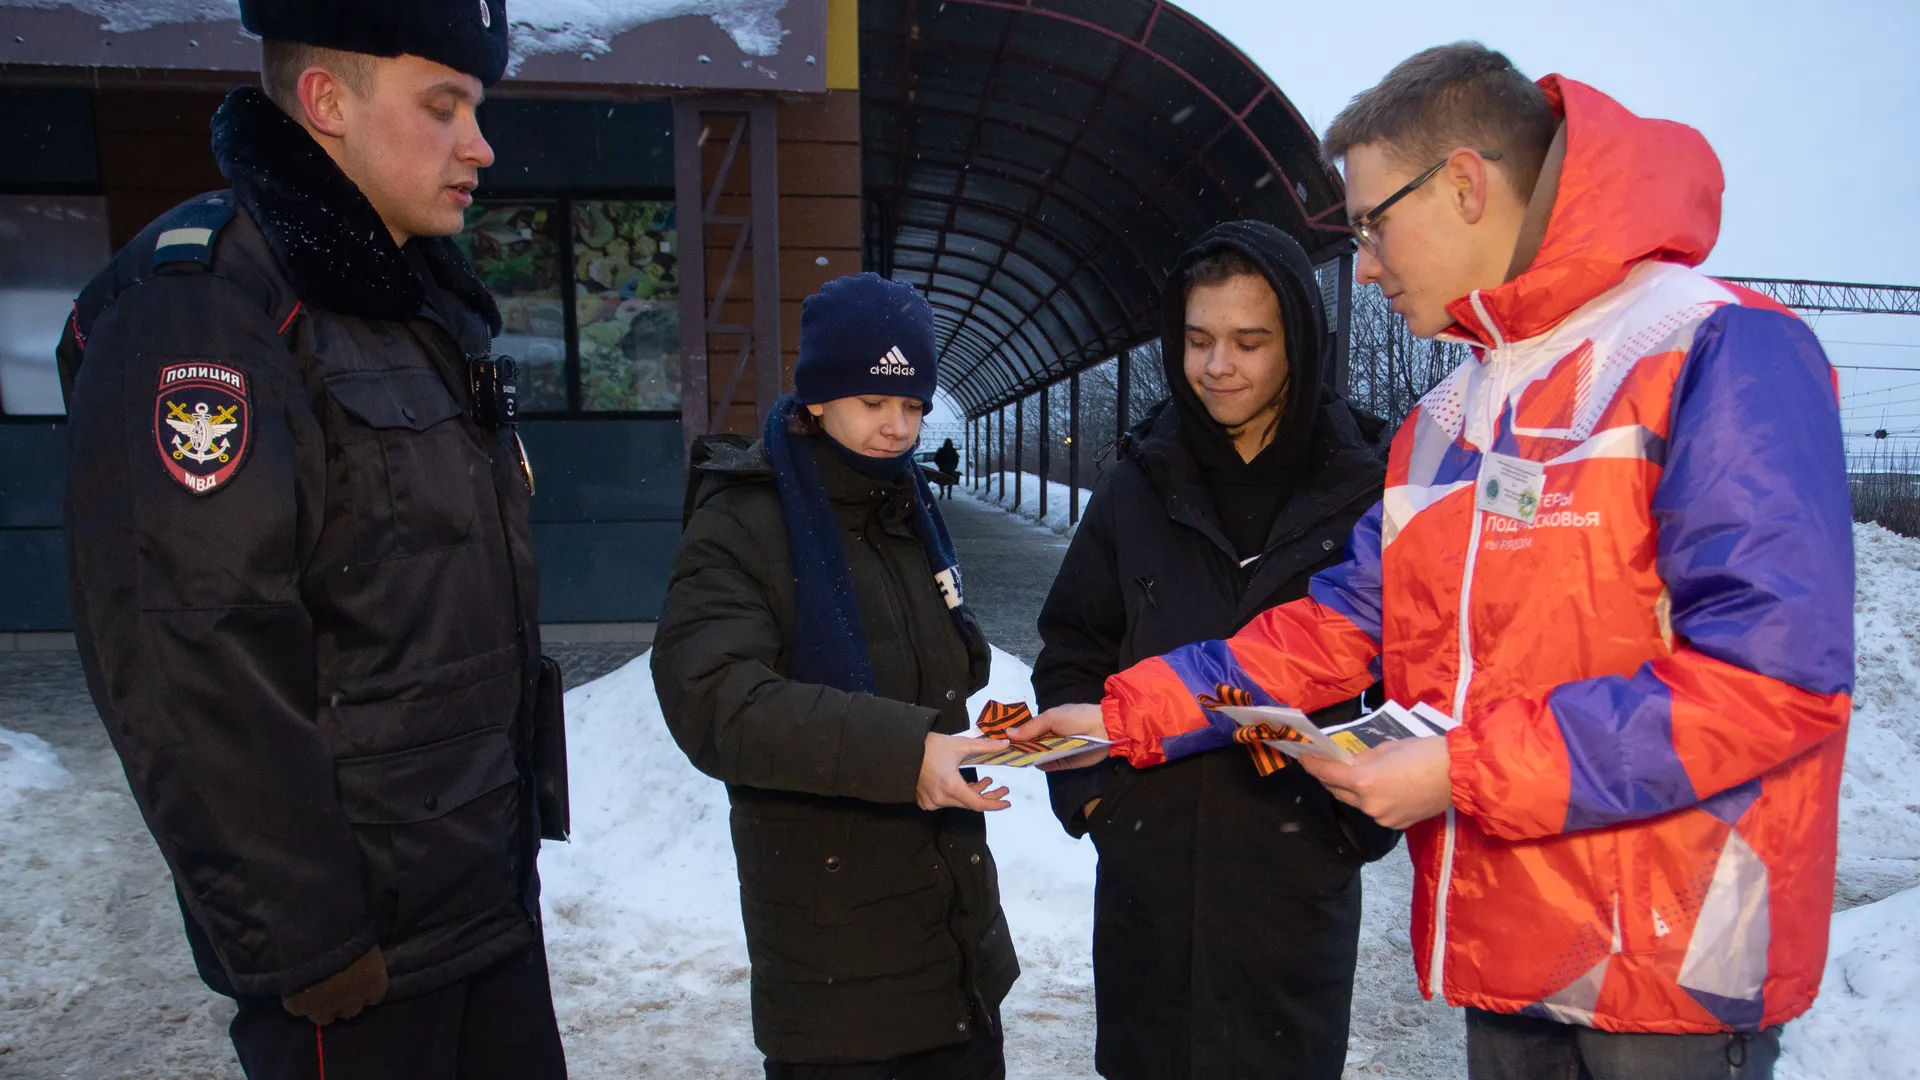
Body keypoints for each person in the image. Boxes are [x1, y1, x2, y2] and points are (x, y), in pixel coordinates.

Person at [1017, 43, 1852, 1080]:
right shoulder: (1449, 421)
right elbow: (1342, 625)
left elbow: (1770, 681)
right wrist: (1132, 713)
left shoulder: (1715, 352)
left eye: (1371, 223)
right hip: (1507, 953)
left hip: (1668, 977)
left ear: (1463, 181)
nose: (1363, 263)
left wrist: (1459, 771)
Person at [57, 2, 569, 1077]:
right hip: (360, 950)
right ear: (328, 102)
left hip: (475, 906)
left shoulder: (415, 302)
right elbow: (187, 645)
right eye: (443, 107)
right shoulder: (208, 309)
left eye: (475, 108)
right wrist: (302, 935)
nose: (480, 144)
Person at [1032, 221, 1399, 1080]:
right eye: (1198, 341)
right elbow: (1070, 645)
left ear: (1298, 344)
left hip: (1295, 875)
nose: (1217, 366)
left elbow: (1408, 669)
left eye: (1248, 341)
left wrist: (1347, 826)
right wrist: (1096, 800)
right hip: (1148, 872)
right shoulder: (1138, 483)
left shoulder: (1368, 491)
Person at [652, 272, 1018, 1079]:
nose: (897, 428)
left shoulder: (905, 507)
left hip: (950, 938)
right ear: (817, 398)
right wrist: (906, 752)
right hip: (833, 963)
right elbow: (713, 699)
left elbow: (935, 664)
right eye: (872, 401)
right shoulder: (744, 519)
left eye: (914, 406)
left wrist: (982, 715)